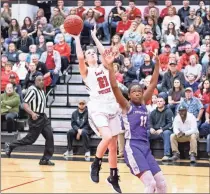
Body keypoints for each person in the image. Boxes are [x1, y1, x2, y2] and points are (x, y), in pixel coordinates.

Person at [69, 26, 122, 193]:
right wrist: (77, 38)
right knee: (106, 137)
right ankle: (96, 163)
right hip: (97, 107)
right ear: (86, 58)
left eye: (93, 53)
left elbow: (105, 54)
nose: (92, 54)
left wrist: (94, 36)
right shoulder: (86, 71)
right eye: (89, 53)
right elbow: (79, 56)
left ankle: (113, 177)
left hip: (111, 105)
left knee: (113, 147)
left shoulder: (104, 67)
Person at [108, 52, 167, 193]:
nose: (137, 93)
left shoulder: (143, 104)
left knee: (162, 184)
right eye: (133, 92)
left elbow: (153, 83)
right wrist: (110, 66)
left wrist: (157, 63)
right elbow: (115, 87)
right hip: (133, 147)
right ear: (129, 95)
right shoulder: (127, 106)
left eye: (139, 91)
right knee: (151, 184)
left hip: (145, 147)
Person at [4, 75, 55, 166]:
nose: (41, 81)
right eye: (39, 80)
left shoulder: (42, 90)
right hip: (35, 117)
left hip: (43, 117)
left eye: (42, 80)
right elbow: (24, 104)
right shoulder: (32, 90)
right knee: (30, 140)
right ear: (35, 81)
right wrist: (32, 113)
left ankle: (45, 159)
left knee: (50, 136)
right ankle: (10, 145)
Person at [148, 96, 173, 161]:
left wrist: (162, 129)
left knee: (166, 133)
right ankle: (147, 154)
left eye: (161, 101)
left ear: (164, 102)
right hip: (155, 131)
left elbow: (170, 124)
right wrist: (151, 128)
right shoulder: (153, 112)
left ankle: (166, 154)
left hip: (164, 131)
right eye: (158, 101)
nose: (159, 103)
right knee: (146, 133)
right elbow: (149, 122)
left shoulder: (168, 111)